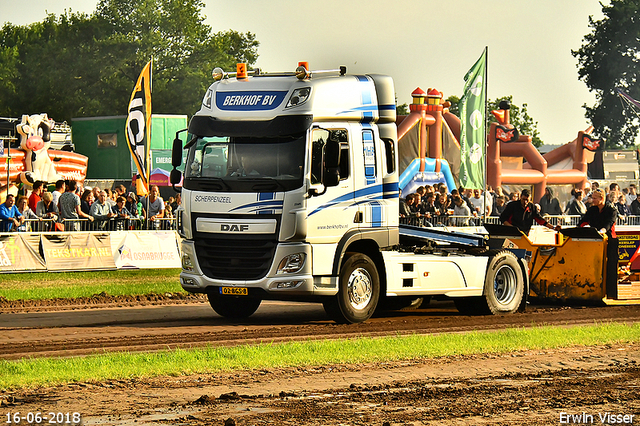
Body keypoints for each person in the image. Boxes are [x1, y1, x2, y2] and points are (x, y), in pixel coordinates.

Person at [578, 187, 618, 297]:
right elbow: (583, 221)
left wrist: (601, 232)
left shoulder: (612, 210)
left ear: (602, 198)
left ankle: (611, 294)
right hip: (594, 241)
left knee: (610, 267)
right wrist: (580, 228)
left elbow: (608, 225)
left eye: (594, 198)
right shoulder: (592, 210)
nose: (592, 200)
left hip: (610, 241)